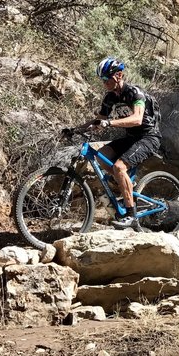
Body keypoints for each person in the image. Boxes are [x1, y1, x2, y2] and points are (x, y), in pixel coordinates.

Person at [64, 57, 161, 228]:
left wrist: (109, 123)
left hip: (148, 137)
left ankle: (131, 214)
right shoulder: (110, 98)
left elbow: (137, 119)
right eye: (102, 79)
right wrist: (76, 129)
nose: (104, 83)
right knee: (102, 156)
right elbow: (97, 121)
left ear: (119, 75)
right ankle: (124, 186)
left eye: (107, 79)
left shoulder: (134, 93)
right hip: (131, 138)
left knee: (119, 167)